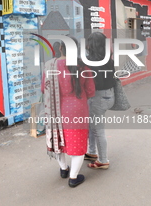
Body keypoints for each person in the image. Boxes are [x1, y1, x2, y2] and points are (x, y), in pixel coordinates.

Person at [41, 37, 95, 188]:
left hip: (55, 110)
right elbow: (91, 91)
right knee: (77, 143)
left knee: (58, 139)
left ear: (60, 49)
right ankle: (73, 178)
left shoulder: (49, 65)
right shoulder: (83, 67)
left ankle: (64, 169)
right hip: (77, 110)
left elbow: (43, 89)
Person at [84, 32, 115, 169]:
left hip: (98, 97)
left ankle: (103, 160)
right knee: (93, 125)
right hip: (108, 95)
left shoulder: (91, 61)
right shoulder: (108, 58)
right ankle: (91, 152)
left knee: (98, 129)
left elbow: (96, 83)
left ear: (91, 44)